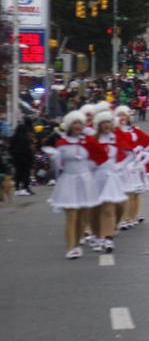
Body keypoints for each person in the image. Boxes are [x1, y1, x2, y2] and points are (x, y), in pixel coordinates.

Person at [44, 111, 107, 259]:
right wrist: (54, 158)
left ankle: (78, 243)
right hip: (68, 180)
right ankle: (71, 247)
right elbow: (58, 166)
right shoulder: (62, 143)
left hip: (85, 180)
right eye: (74, 123)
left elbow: (101, 156)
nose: (77, 126)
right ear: (69, 126)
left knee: (82, 216)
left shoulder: (88, 141)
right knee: (71, 215)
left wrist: (91, 166)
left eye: (80, 123)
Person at [91, 110, 129, 253]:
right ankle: (98, 235)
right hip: (96, 177)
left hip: (111, 176)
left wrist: (119, 166)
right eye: (103, 123)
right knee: (95, 209)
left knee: (109, 207)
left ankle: (108, 237)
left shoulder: (116, 137)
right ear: (99, 125)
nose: (106, 125)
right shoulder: (93, 140)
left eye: (108, 122)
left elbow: (130, 154)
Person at [10, 121, 35, 196]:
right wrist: (31, 160)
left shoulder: (13, 138)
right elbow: (29, 150)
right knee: (26, 174)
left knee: (18, 173)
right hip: (25, 160)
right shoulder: (26, 139)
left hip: (16, 159)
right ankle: (25, 188)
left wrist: (14, 156)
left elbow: (10, 149)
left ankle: (17, 188)